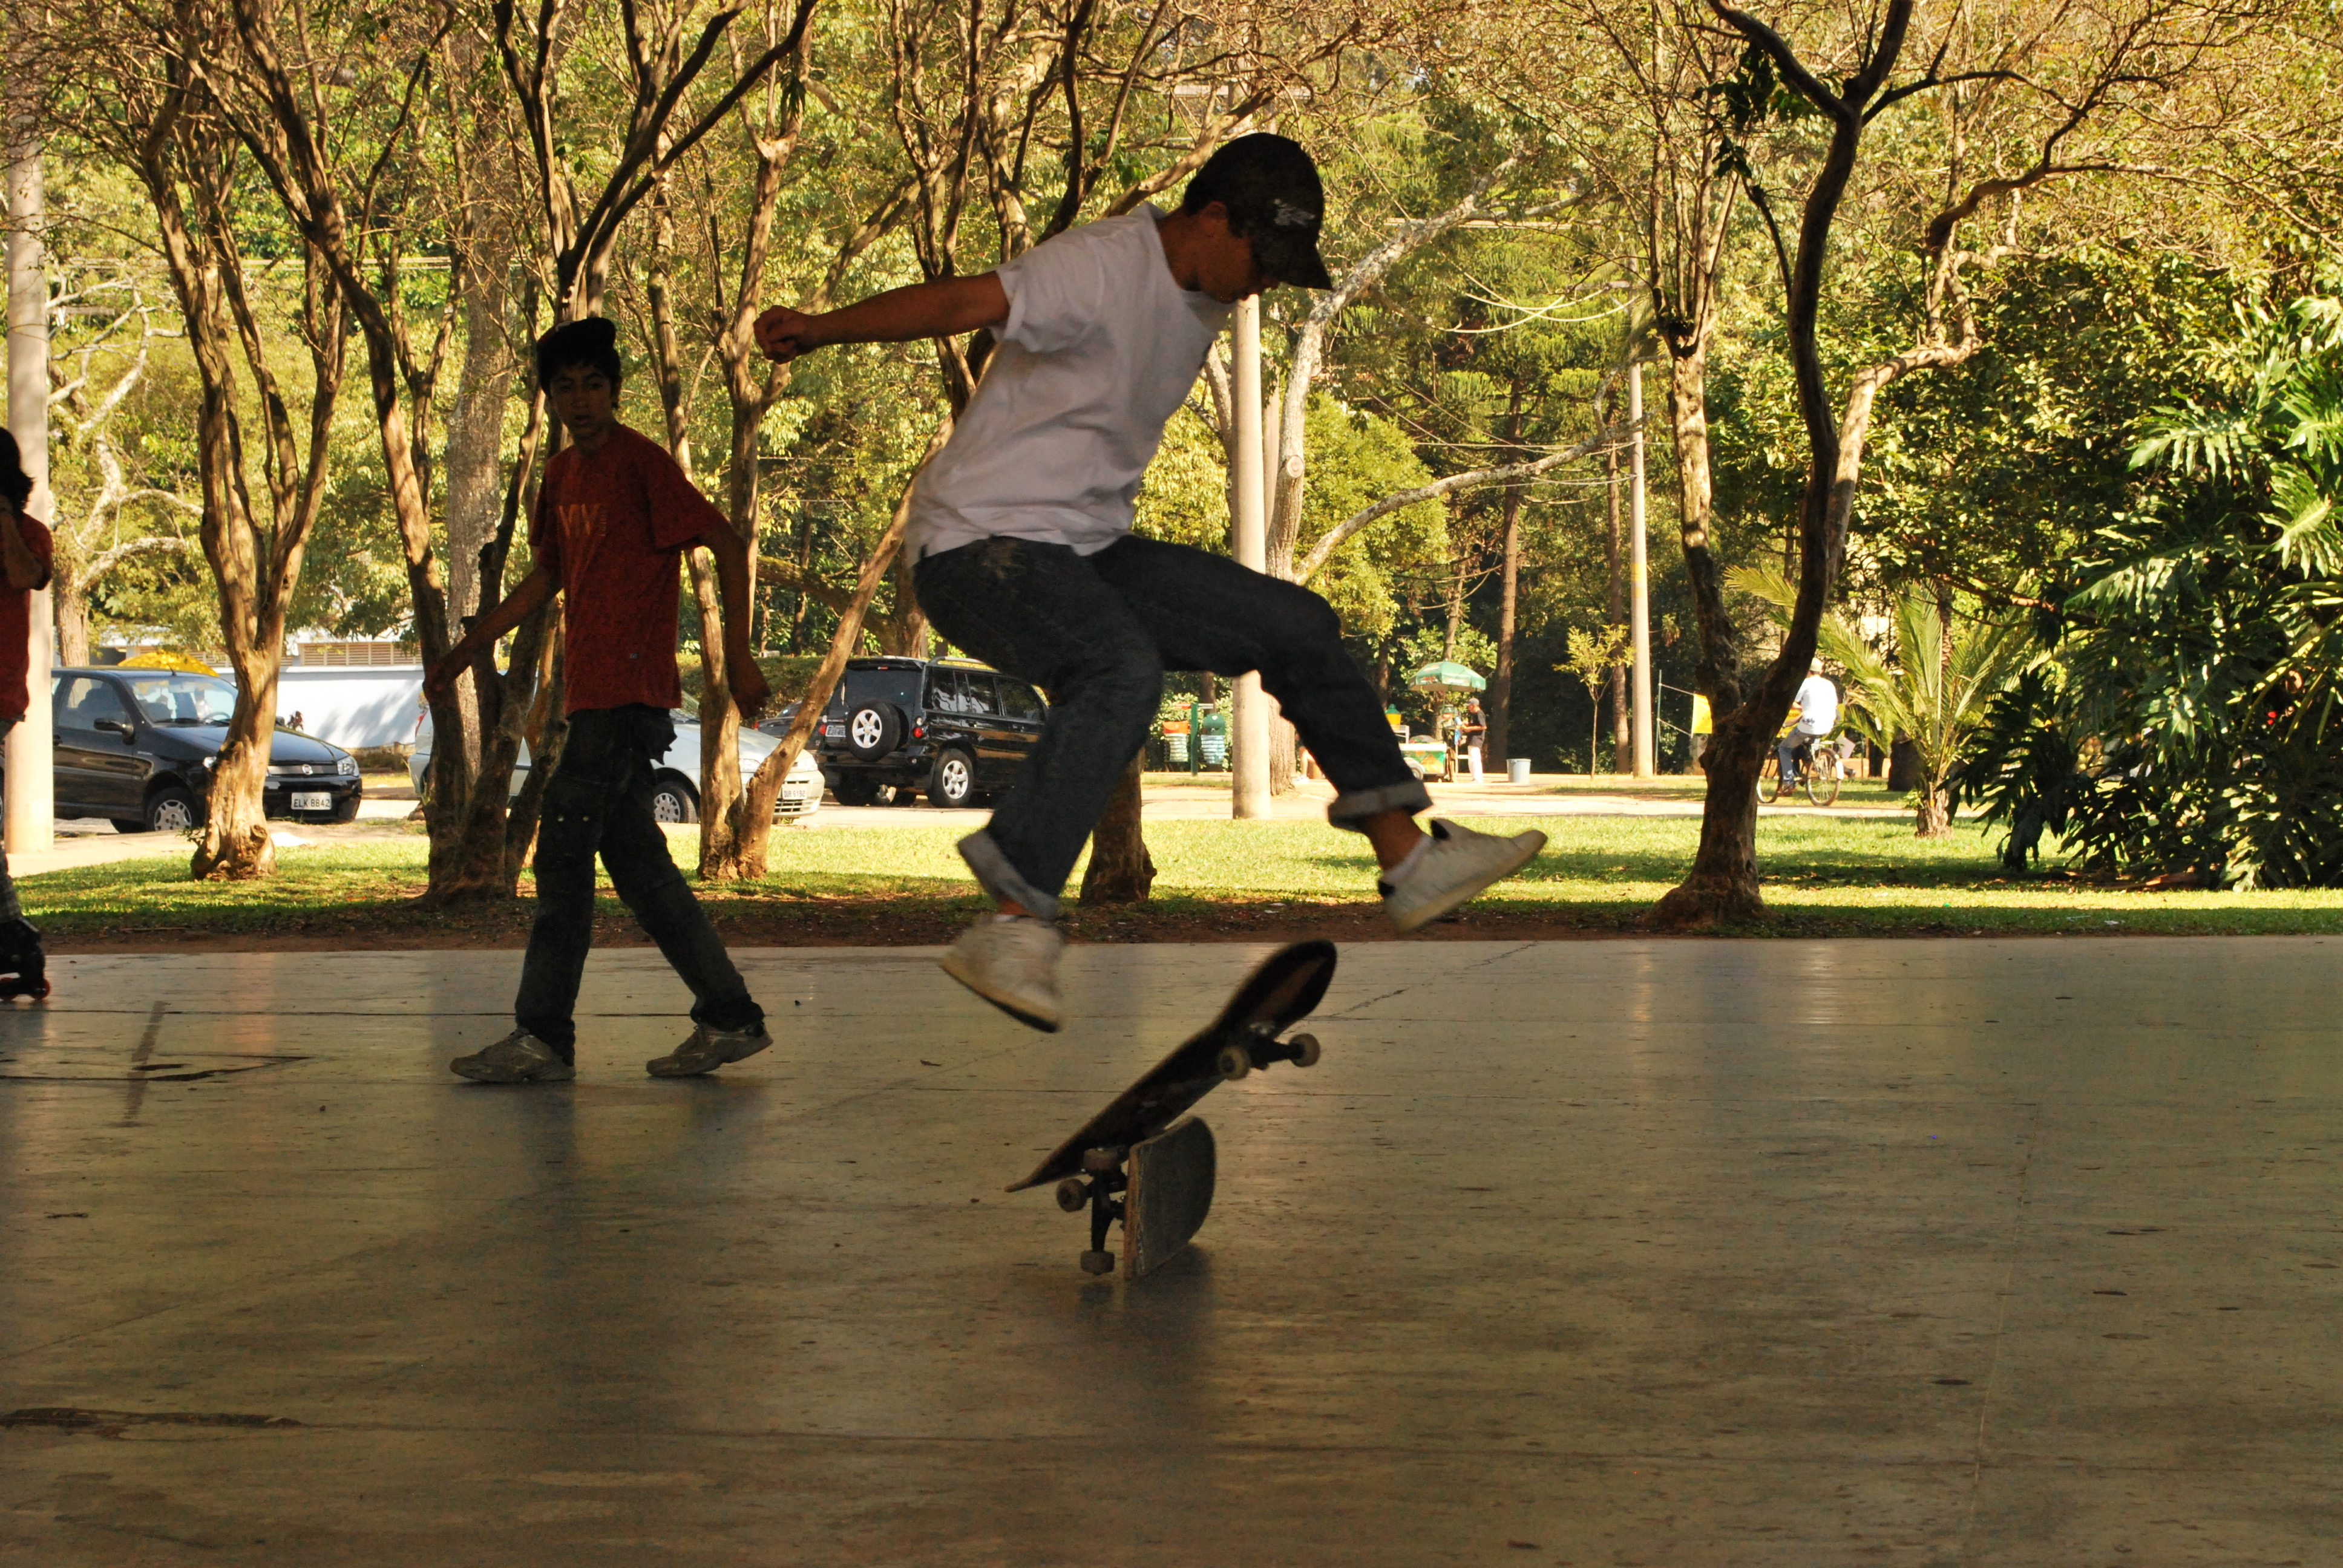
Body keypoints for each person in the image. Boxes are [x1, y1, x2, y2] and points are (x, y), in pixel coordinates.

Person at [753, 134, 1545, 1032]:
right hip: (977, 549)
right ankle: (1012, 923)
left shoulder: (1203, 292)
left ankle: (1408, 859)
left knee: (1295, 623)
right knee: (1119, 671)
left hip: (1085, 551)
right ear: (1210, 219)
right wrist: (821, 328)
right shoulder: (1098, 264)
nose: (1265, 286)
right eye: (1261, 259)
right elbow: (968, 298)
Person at [425, 318, 774, 1083]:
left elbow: (723, 538)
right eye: (565, 387)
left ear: (614, 392)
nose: (580, 400)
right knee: (642, 872)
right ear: (549, 397)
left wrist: (740, 657)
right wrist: (471, 643)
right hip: (588, 696)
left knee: (560, 865)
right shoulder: (561, 477)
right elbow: (549, 576)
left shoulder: (641, 464)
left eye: (592, 385)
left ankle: (541, 1038)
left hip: (629, 696)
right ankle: (729, 1017)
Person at [0, 431, 54, 990]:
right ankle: (14, 935)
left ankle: (15, 937)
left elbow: (22, 576)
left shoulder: (31, 536)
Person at [1779, 659, 1839, 787]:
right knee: (1809, 744)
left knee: (1784, 749)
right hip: (1827, 726)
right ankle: (1814, 766)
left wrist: (1800, 708)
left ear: (1807, 671)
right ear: (1821, 671)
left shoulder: (1805, 683)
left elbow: (1791, 702)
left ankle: (1789, 783)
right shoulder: (1830, 685)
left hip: (1808, 726)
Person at [1460, 697, 1487, 783]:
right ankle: (1475, 777)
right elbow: (1476, 725)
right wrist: (1467, 725)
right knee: (1472, 759)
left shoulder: (1479, 713)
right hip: (1472, 739)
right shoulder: (1474, 715)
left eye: (1469, 706)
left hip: (1477, 739)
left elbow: (1483, 726)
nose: (1468, 708)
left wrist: (1469, 728)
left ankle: (1478, 778)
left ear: (1474, 706)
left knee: (1475, 759)